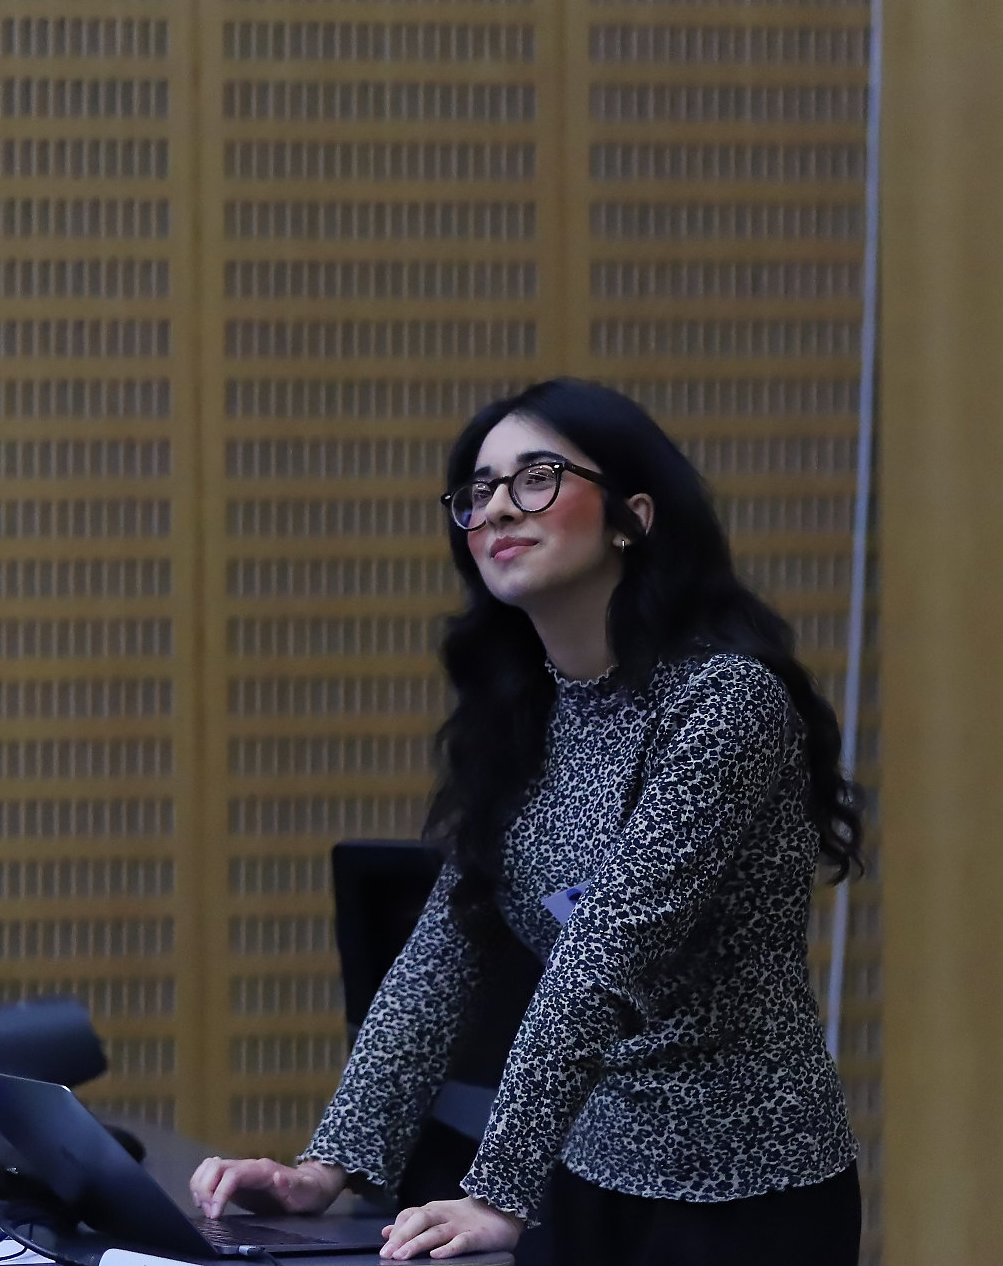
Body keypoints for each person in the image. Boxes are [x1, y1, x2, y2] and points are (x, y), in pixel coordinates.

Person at [190, 379, 865, 1264]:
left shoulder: (724, 702)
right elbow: (441, 956)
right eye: (478, 492)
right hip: (586, 1176)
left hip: (745, 1184)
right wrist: (330, 1165)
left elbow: (605, 957)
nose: (499, 507)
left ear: (633, 515)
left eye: (537, 478)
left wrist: (495, 1189)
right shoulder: (526, 719)